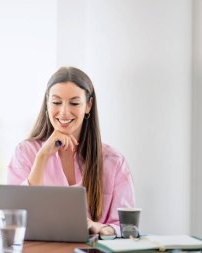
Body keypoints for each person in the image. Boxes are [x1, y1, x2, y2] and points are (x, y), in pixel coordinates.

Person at [7, 66, 135, 237]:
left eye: (74, 103)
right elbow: (13, 219)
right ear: (47, 102)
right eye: (56, 102)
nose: (64, 112)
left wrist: (102, 228)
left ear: (88, 105)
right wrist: (42, 156)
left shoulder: (113, 161)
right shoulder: (26, 152)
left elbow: (127, 226)